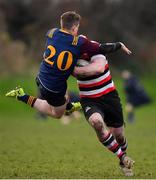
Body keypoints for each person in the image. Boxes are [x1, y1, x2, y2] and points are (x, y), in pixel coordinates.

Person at [5, 11, 131, 120]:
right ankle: (21, 96)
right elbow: (102, 48)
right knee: (56, 113)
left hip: (41, 77)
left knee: (63, 80)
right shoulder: (78, 42)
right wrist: (119, 45)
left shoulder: (51, 33)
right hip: (53, 90)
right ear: (75, 27)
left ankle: (69, 105)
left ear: (61, 24)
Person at [71, 54, 135, 176]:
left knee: (119, 135)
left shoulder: (97, 53)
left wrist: (74, 70)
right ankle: (122, 157)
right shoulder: (70, 55)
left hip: (110, 98)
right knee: (96, 122)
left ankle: (123, 160)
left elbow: (99, 68)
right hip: (89, 100)